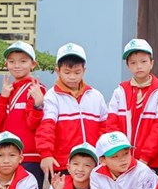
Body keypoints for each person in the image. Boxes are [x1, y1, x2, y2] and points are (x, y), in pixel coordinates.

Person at [36, 43, 108, 175]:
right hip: (63, 164)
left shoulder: (96, 96)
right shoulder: (52, 96)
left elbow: (105, 128)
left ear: (84, 70)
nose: (72, 77)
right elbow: (46, 128)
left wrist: (103, 153)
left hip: (92, 163)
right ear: (58, 71)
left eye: (77, 72)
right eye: (67, 72)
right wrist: (46, 154)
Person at [107, 39, 158, 176]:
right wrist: (121, 154)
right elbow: (111, 124)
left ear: (151, 63)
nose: (139, 66)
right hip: (122, 162)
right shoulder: (120, 91)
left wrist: (145, 158)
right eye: (133, 63)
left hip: (153, 162)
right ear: (128, 66)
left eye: (143, 61)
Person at [0, 41, 47, 186]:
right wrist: (3, 97)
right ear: (6, 64)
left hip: (30, 156)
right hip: (8, 158)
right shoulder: (8, 90)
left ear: (33, 64)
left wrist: (38, 104)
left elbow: (32, 124)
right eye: (12, 61)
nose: (17, 65)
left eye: (23, 61)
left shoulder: (36, 89)